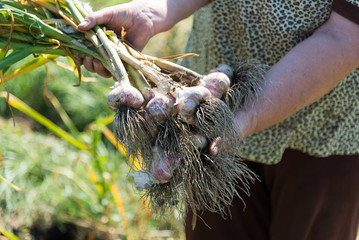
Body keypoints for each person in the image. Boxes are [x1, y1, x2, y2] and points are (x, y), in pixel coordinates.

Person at [78, 0, 359, 239]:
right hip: (207, 116)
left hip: (320, 130)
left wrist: (247, 115)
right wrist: (153, 13)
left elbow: (346, 34)